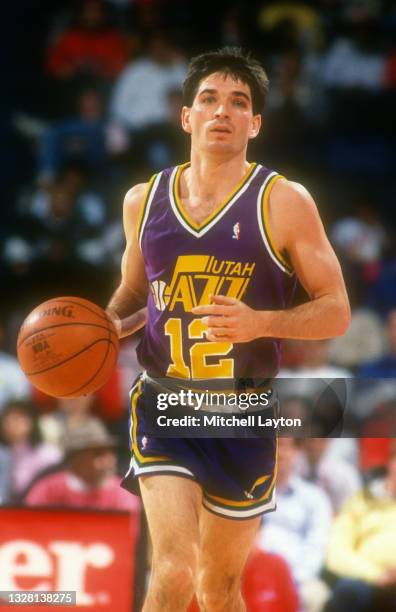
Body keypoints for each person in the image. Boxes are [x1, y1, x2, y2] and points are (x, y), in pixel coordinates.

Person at [106, 47, 350, 612]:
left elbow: (336, 309)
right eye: (209, 100)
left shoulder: (284, 202)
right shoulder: (142, 201)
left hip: (242, 412)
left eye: (238, 103)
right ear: (186, 116)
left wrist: (260, 322)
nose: (222, 111)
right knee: (173, 571)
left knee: (218, 591)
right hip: (164, 403)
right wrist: (104, 326)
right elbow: (133, 294)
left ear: (255, 123)